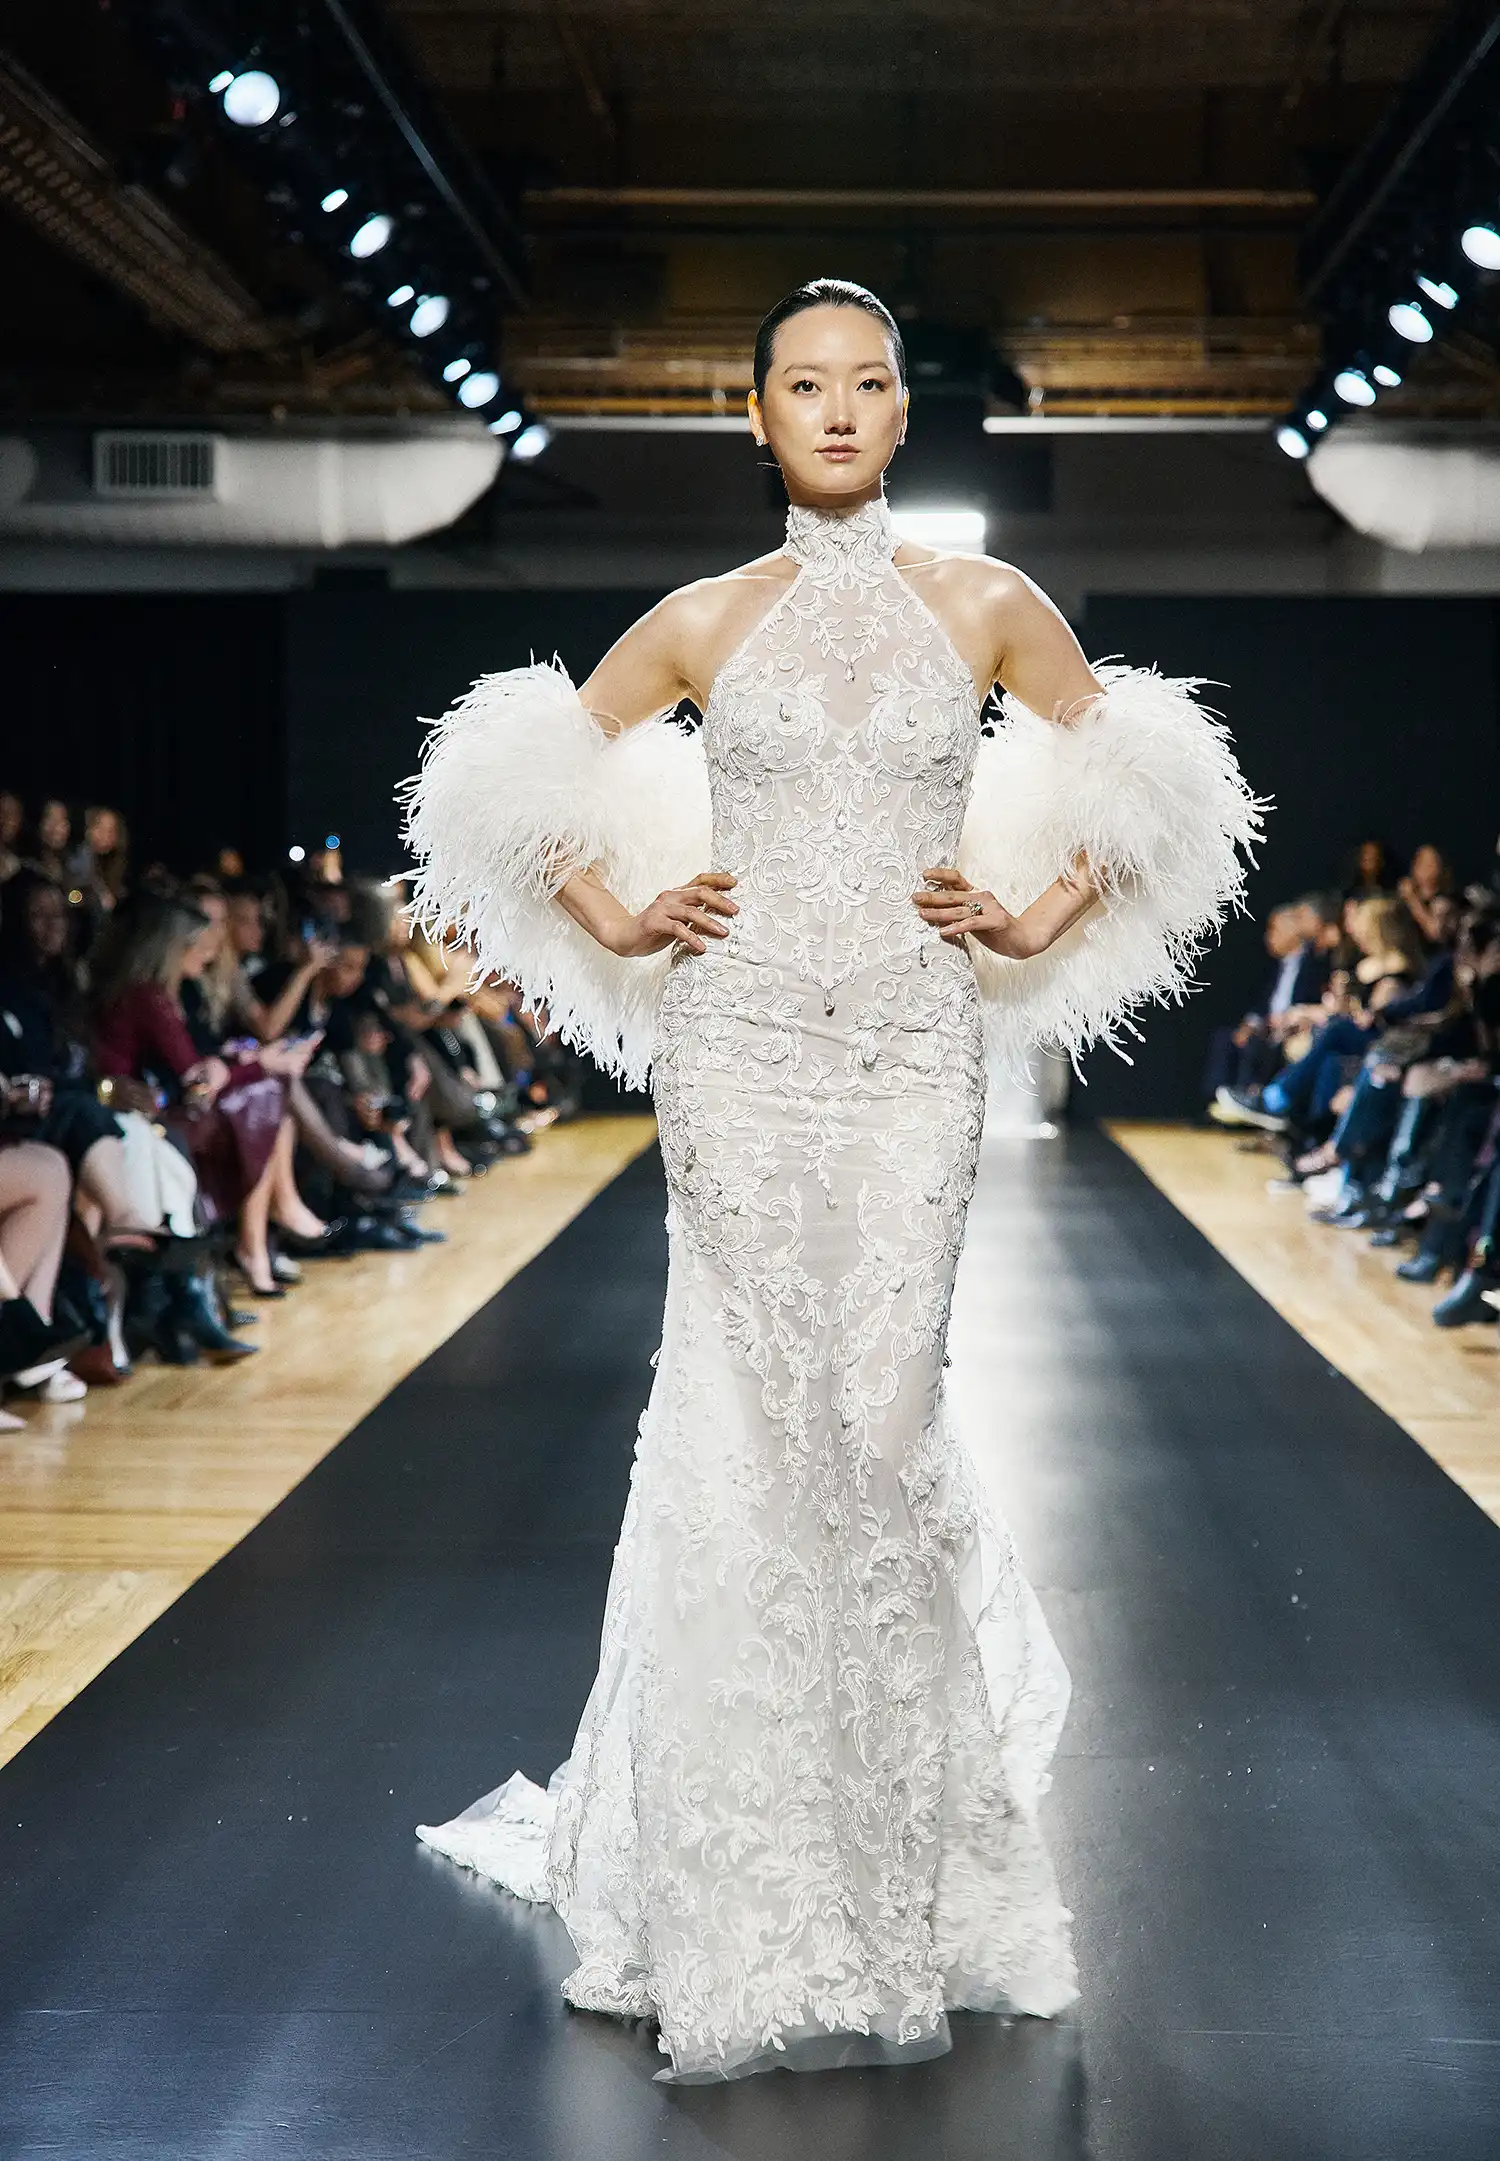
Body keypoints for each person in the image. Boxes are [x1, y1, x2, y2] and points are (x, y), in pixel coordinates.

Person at [404, 278, 1262, 2084]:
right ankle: (743, 1896)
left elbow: (1152, 775)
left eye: (870, 383)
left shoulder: (988, 606)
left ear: (898, 412)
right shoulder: (709, 620)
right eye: (808, 385)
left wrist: (1032, 915)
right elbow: (513, 773)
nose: (844, 410)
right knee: (752, 1429)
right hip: (737, 1057)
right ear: (757, 414)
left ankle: (899, 1888)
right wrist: (627, 914)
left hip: (907, 1057)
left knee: (878, 1428)